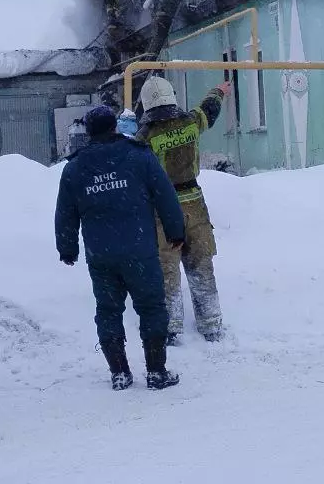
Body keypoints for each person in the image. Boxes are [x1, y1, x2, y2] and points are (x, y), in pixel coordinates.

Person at [55, 104, 185, 391]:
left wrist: (67, 248)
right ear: (114, 126)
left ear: (88, 133)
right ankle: (156, 372)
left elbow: (65, 211)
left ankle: (119, 373)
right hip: (139, 249)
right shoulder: (139, 157)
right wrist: (176, 231)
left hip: (101, 255)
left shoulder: (75, 168)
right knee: (151, 307)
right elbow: (165, 194)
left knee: (108, 310)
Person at [135, 76, 231, 344]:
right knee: (201, 260)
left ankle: (170, 327)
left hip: (162, 207)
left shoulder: (145, 137)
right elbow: (208, 110)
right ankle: (211, 323)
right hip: (194, 202)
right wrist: (219, 91)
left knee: (166, 265)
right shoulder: (191, 122)